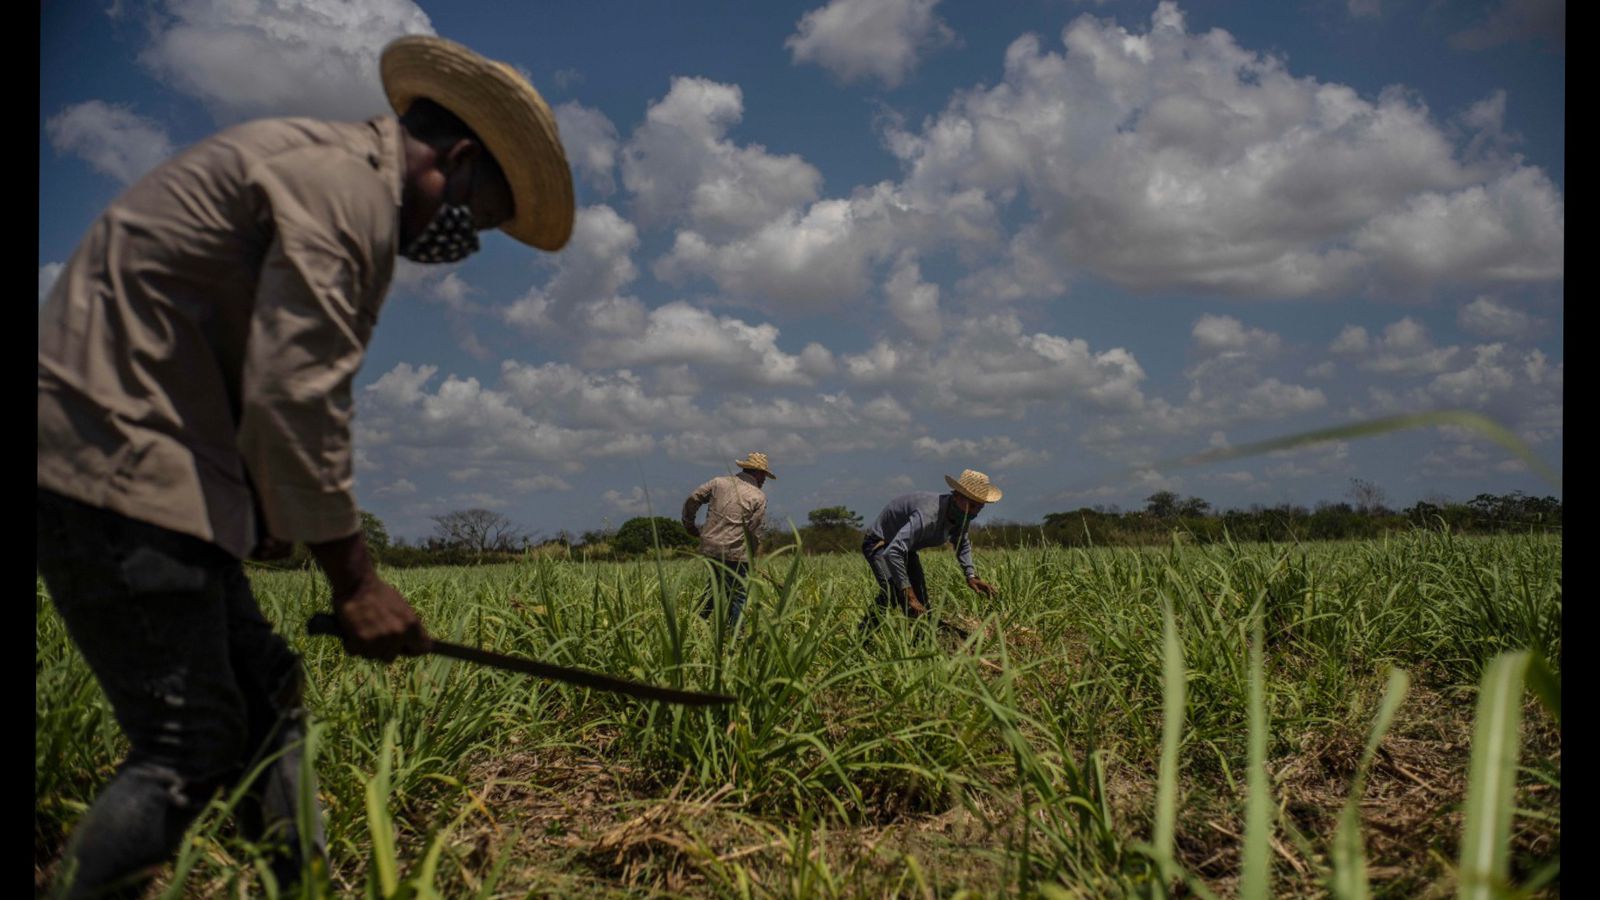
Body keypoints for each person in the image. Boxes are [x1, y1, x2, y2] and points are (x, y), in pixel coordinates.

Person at [36, 35, 574, 898]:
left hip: (156, 467)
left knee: (266, 688)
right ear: (459, 157)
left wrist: (265, 515)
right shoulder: (344, 192)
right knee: (188, 745)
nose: (466, 242)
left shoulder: (318, 170)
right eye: (478, 215)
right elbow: (296, 396)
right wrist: (355, 581)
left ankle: (303, 886)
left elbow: (242, 369)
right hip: (117, 467)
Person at [859, 469, 1001, 635]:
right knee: (894, 592)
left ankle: (922, 641)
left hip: (907, 549)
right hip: (881, 544)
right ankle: (862, 639)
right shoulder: (928, 514)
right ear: (957, 496)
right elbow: (893, 552)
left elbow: (961, 543)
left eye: (979, 507)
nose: (974, 512)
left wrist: (971, 576)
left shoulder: (961, 515)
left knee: (922, 604)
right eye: (972, 505)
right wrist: (908, 593)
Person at [681, 453, 774, 630]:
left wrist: (689, 524)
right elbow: (753, 531)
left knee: (714, 588)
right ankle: (736, 636)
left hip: (710, 548)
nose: (764, 480)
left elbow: (693, 497)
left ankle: (694, 625)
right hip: (735, 553)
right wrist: (751, 557)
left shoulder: (718, 483)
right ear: (759, 474)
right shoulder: (758, 496)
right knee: (738, 595)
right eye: (764, 476)